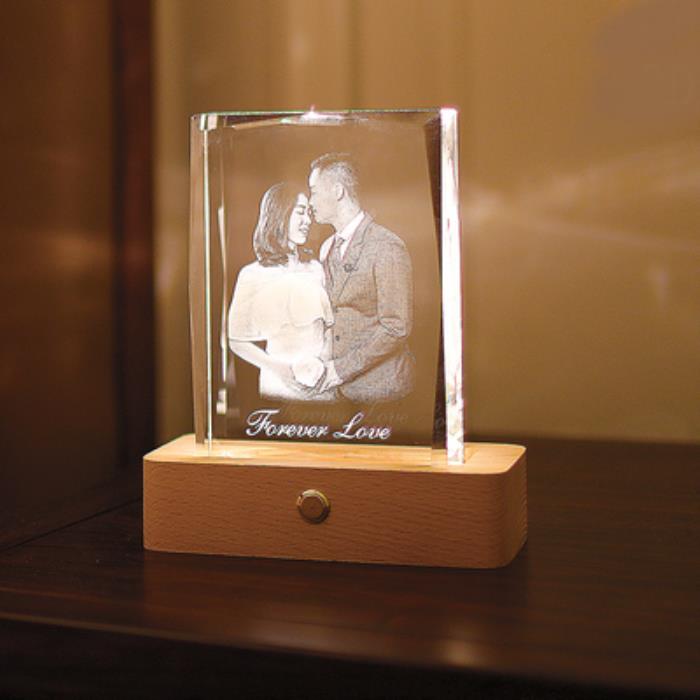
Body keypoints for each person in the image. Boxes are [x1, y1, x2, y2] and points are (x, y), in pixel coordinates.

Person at [308, 153, 414, 402]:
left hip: (381, 393)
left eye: (314, 191)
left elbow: (396, 328)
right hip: (338, 393)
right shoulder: (327, 247)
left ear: (338, 191)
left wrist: (340, 370)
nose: (310, 202)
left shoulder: (387, 246)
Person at [228, 182, 334, 401]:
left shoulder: (316, 268)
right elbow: (236, 341)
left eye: (309, 213)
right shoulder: (252, 274)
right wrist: (280, 370)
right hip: (278, 385)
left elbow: (330, 327)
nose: (308, 220)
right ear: (280, 214)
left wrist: (323, 363)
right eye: (301, 212)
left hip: (322, 383)